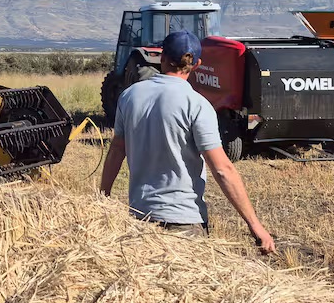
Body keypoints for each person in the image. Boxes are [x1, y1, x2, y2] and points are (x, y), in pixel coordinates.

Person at [99, 31, 276, 254]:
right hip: (184, 223)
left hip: (139, 219)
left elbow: (116, 150)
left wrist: (103, 198)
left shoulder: (129, 96)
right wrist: (255, 225)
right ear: (197, 64)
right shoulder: (198, 105)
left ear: (161, 57)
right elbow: (222, 170)